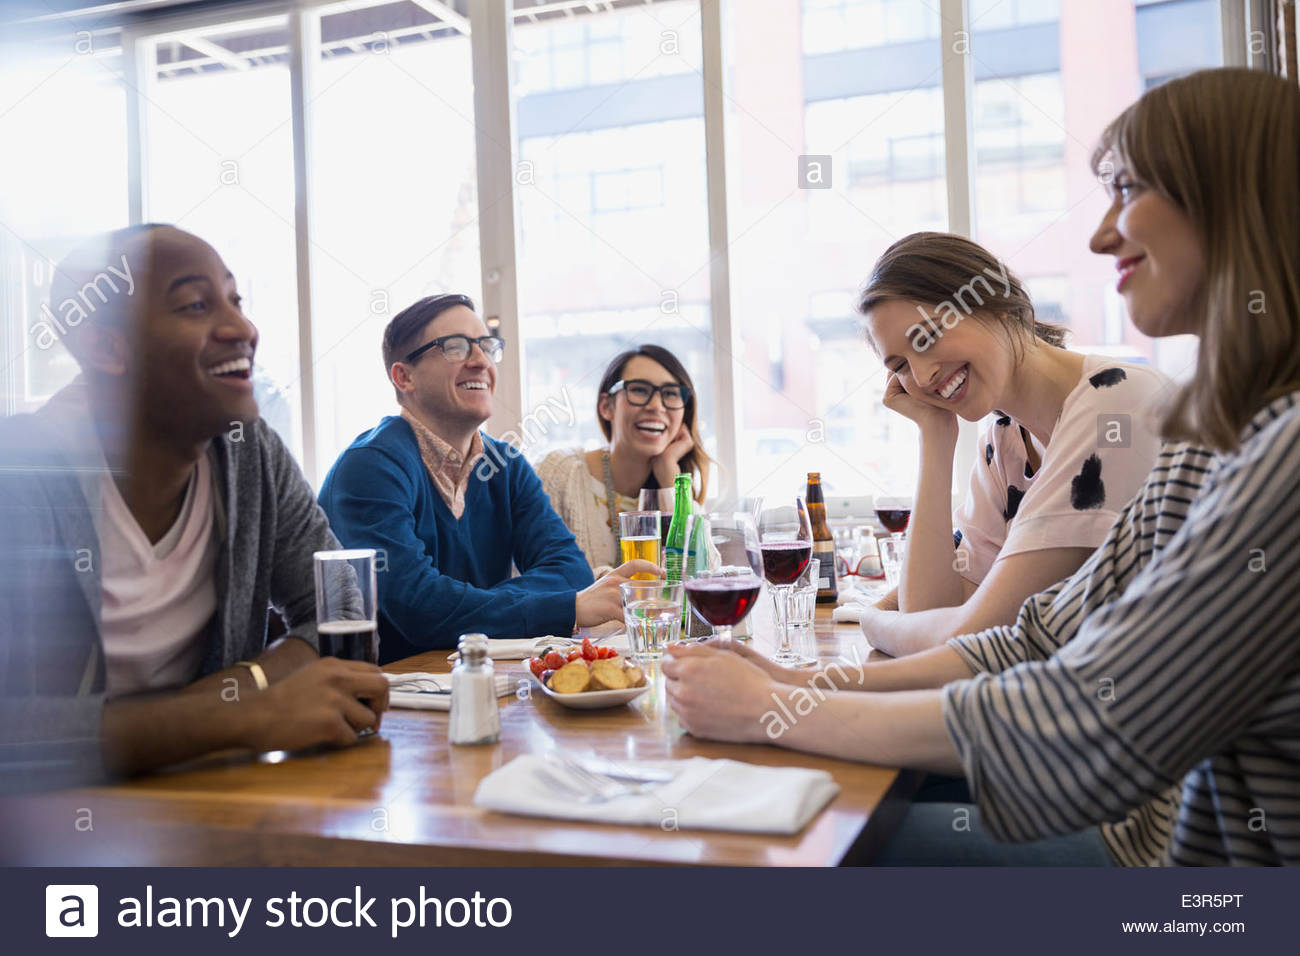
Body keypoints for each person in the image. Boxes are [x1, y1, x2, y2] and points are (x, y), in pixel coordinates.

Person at [663, 68, 1300, 866]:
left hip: (1192, 882)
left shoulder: (1248, 443)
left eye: (1128, 187)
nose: (1102, 236)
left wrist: (772, 710)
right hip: (1145, 821)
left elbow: (1088, 720)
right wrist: (792, 692)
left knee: (786, 858)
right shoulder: (1216, 436)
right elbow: (1029, 640)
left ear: (1233, 198)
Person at [0, 224, 389, 788]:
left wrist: (237, 693)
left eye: (234, 300)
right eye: (196, 304)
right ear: (105, 346)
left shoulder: (250, 452)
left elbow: (343, 612)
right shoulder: (23, 477)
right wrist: (236, 716)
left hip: (204, 801)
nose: (242, 327)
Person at [855, 232, 1166, 657]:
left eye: (926, 338)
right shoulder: (1005, 441)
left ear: (994, 303)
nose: (923, 377)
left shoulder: (1116, 404)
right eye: (901, 366)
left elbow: (968, 640)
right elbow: (933, 612)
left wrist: (873, 620)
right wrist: (935, 435)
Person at [318, 294, 655, 662]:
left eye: (486, 346)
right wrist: (564, 608)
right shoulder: (369, 468)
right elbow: (421, 610)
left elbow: (569, 570)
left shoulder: (505, 463)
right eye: (456, 347)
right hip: (390, 701)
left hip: (479, 681)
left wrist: (470, 607)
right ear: (404, 376)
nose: (480, 361)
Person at [537, 345, 713, 573]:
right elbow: (532, 580)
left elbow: (705, 578)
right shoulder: (559, 473)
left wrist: (671, 479)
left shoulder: (674, 481)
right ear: (606, 407)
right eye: (639, 390)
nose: (656, 406)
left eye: (670, 393)